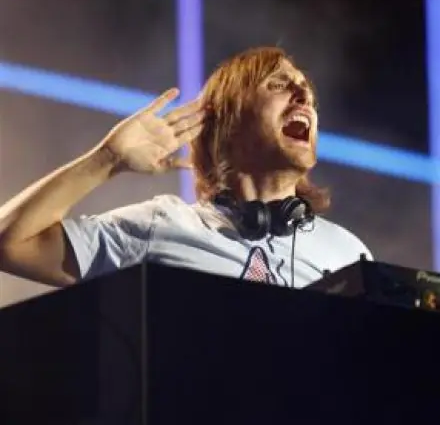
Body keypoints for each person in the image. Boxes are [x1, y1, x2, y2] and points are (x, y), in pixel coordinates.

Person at [0, 46, 372, 290]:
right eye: (278, 85)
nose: (304, 96)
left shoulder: (349, 254)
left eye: (307, 92)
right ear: (227, 122)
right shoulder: (160, 226)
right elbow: (10, 243)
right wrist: (106, 160)